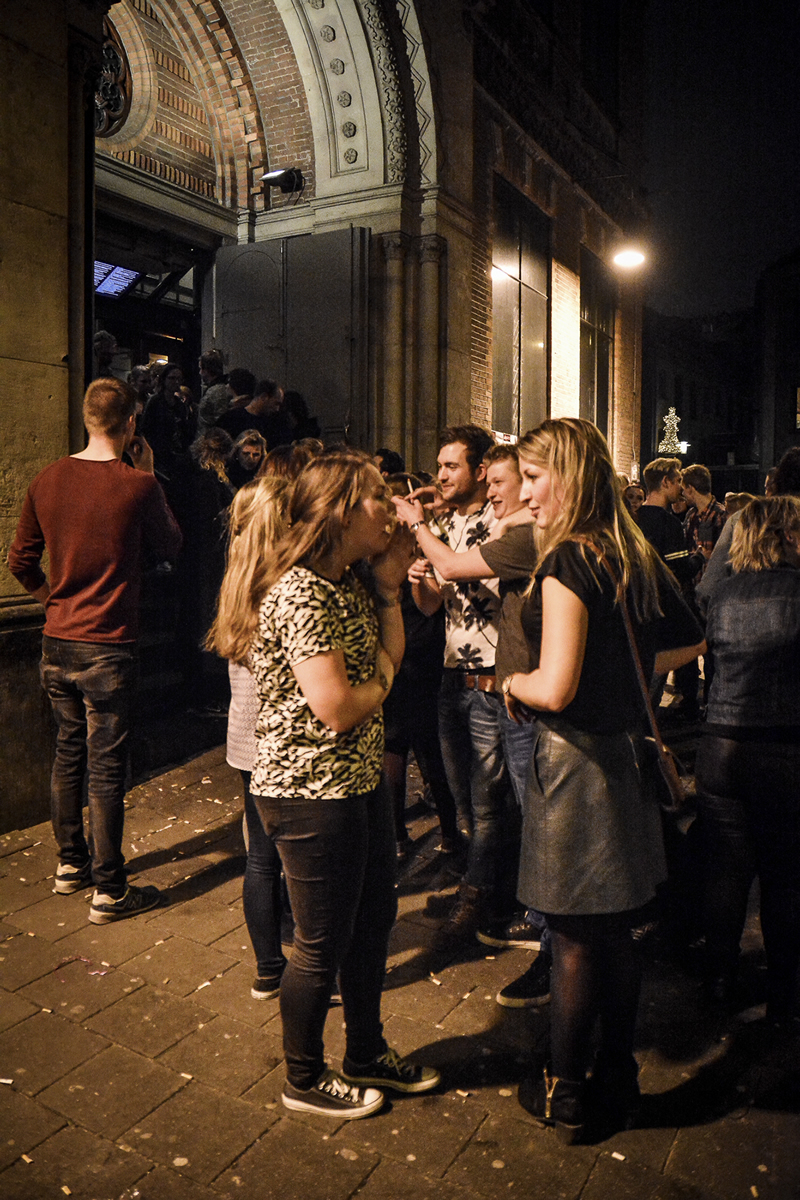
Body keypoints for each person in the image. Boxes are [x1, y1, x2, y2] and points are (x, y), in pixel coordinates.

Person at [503, 418, 703, 1141]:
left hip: (576, 764)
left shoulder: (565, 565)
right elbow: (691, 638)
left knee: (577, 940)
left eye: (534, 476)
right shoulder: (633, 552)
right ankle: (617, 1073)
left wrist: (514, 683)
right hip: (624, 758)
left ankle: (566, 1089)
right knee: (615, 935)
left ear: (570, 477)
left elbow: (553, 689)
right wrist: (628, 681)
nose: (526, 494)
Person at [228, 448, 439, 1118]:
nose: (395, 507)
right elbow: (339, 706)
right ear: (343, 510)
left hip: (355, 781)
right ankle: (303, 1077)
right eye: (381, 495)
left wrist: (387, 589)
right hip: (307, 793)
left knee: (374, 919)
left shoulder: (348, 581)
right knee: (319, 943)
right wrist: (379, 678)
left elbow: (393, 654)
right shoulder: (300, 591)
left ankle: (366, 1052)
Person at [7, 378, 182, 922]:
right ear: (131, 425)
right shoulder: (137, 486)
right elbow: (172, 544)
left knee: (67, 751)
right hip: (108, 645)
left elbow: (19, 560)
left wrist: (52, 601)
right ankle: (109, 889)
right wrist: (149, 473)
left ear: (87, 418)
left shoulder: (48, 478)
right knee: (106, 768)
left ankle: (69, 866)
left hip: (58, 641)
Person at [408, 425, 517, 946]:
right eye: (438, 466)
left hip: (490, 678)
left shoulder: (500, 522)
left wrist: (418, 529)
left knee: (490, 799)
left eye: (451, 466)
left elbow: (468, 574)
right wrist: (420, 582)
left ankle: (482, 903)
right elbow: (436, 604)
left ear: (479, 471)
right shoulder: (448, 521)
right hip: (453, 674)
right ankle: (478, 884)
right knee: (462, 797)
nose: (440, 475)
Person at [694, 496, 800, 1024]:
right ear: (786, 537)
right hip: (784, 748)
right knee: (783, 876)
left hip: (720, 744)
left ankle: (718, 977)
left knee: (727, 872)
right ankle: (784, 993)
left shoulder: (724, 593)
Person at [207, 475, 291, 999]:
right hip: (279, 739)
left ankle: (268, 969)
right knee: (294, 862)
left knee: (261, 857)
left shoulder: (238, 570)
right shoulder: (282, 579)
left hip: (244, 734)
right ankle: (309, 966)